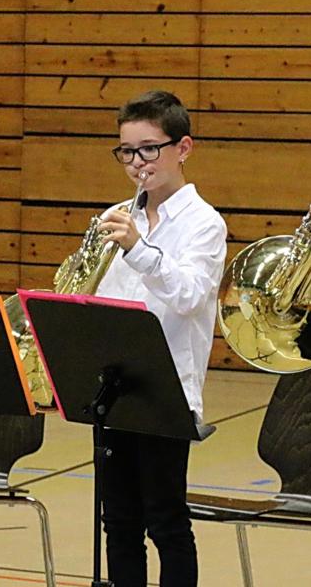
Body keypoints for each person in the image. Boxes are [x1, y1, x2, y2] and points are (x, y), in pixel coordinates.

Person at [95, 90, 227, 587]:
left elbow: (191, 295)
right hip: (115, 390)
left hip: (167, 392)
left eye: (149, 149)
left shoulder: (204, 224)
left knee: (166, 521)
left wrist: (138, 248)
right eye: (126, 151)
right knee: (119, 524)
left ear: (183, 148)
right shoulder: (115, 216)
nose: (136, 163)